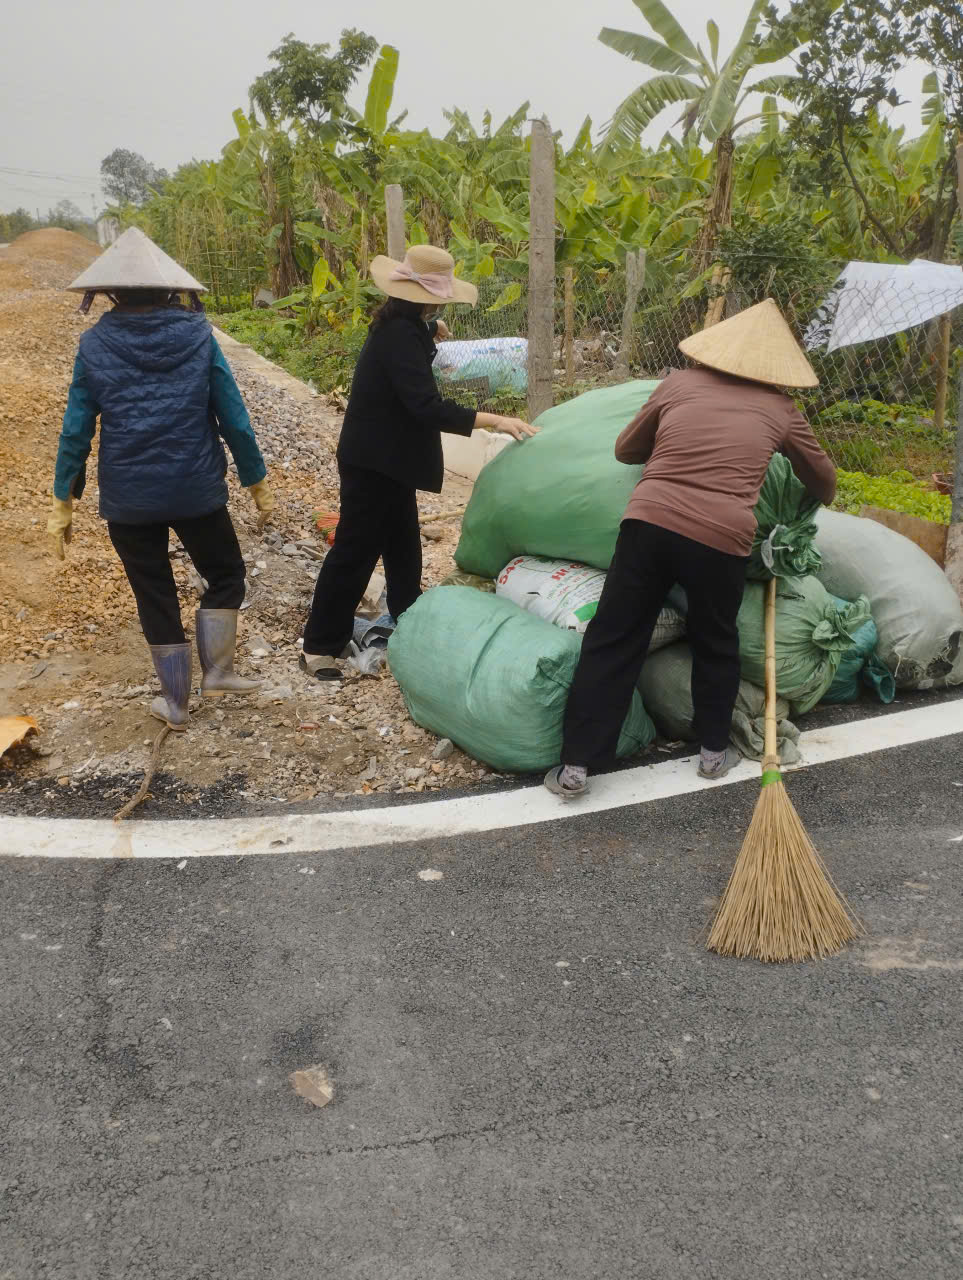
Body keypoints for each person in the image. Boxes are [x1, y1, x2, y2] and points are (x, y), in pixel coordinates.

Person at [544, 298, 837, 799]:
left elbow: (625, 449)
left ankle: (576, 766)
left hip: (650, 525)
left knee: (615, 637)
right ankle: (712, 753)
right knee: (715, 640)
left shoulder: (677, 384)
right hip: (722, 540)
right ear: (776, 368)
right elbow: (825, 484)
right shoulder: (781, 410)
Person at [46, 227, 275, 731]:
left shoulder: (94, 344)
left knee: (154, 594)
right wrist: (256, 481)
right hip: (196, 490)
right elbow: (234, 417)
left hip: (129, 499)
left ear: (111, 292)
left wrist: (63, 501)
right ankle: (218, 672)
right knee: (226, 575)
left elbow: (76, 428)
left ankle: (175, 703)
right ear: (171, 288)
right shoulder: (199, 337)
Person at [300, 244, 538, 681]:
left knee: (404, 547)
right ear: (427, 298)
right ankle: (319, 645)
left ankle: (408, 624)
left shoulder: (404, 324)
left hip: (390, 460)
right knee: (355, 552)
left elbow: (413, 352)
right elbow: (425, 406)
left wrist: (430, 330)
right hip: (373, 461)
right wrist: (495, 420)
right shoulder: (399, 335)